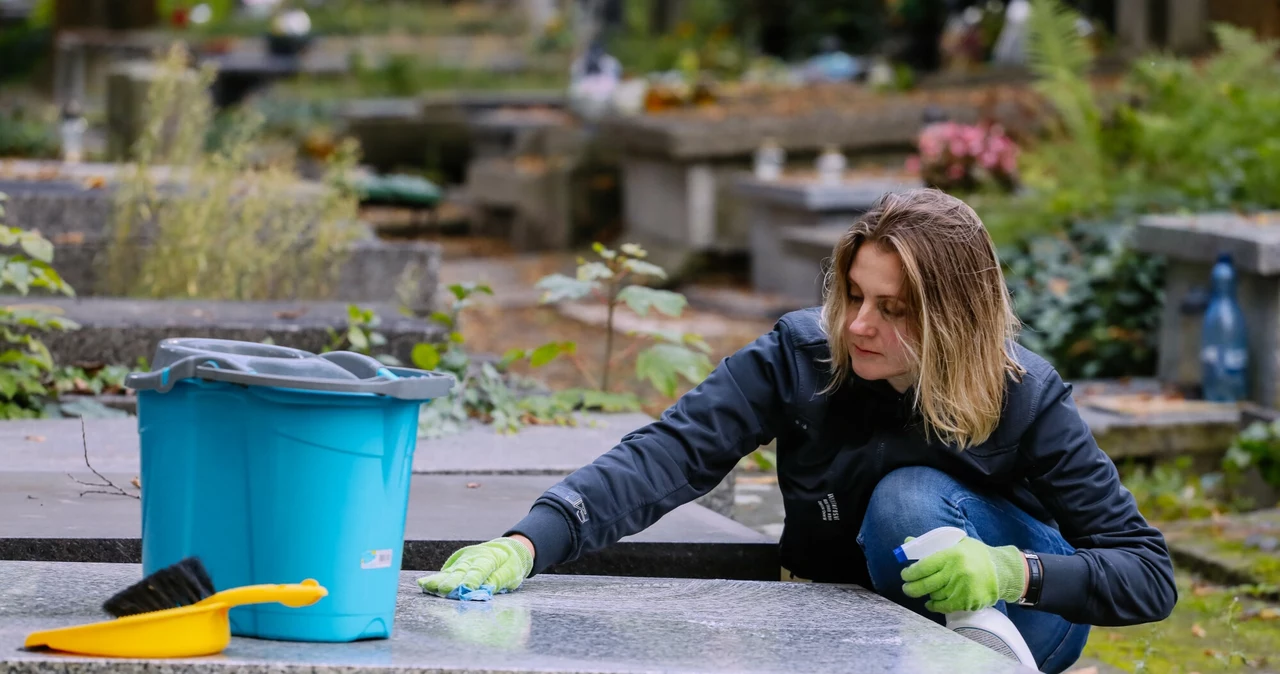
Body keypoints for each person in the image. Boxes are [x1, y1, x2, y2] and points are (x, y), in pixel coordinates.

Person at [418, 188, 1177, 674]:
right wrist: (530, 540)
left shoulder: (1024, 396)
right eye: (852, 294)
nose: (858, 323)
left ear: (955, 317)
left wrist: (1016, 574)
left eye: (893, 308)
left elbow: (1148, 574)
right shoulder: (801, 354)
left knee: (907, 500)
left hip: (1020, 618)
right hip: (860, 622)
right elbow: (674, 450)